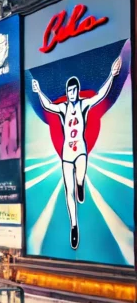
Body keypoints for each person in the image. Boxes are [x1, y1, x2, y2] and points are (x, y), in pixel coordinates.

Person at [32, 52, 124, 249]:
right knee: (69, 191)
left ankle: (81, 184)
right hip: (67, 154)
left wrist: (111, 75)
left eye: (74, 91)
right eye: (70, 91)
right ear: (68, 91)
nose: (72, 94)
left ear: (77, 91)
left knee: (79, 178)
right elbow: (48, 105)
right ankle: (74, 225)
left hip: (80, 150)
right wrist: (38, 91)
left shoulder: (83, 104)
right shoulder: (63, 108)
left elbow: (100, 95)